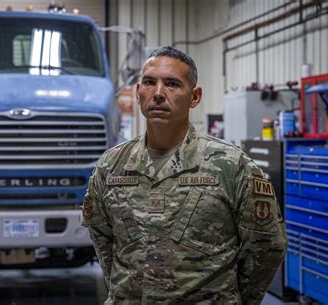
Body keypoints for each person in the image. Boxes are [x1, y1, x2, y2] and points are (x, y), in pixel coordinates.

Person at [81, 46, 287, 305]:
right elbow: (102, 239)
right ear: (138, 92)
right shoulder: (111, 166)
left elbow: (268, 246)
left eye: (171, 84)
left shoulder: (230, 166)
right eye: (149, 82)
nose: (158, 93)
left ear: (194, 96)